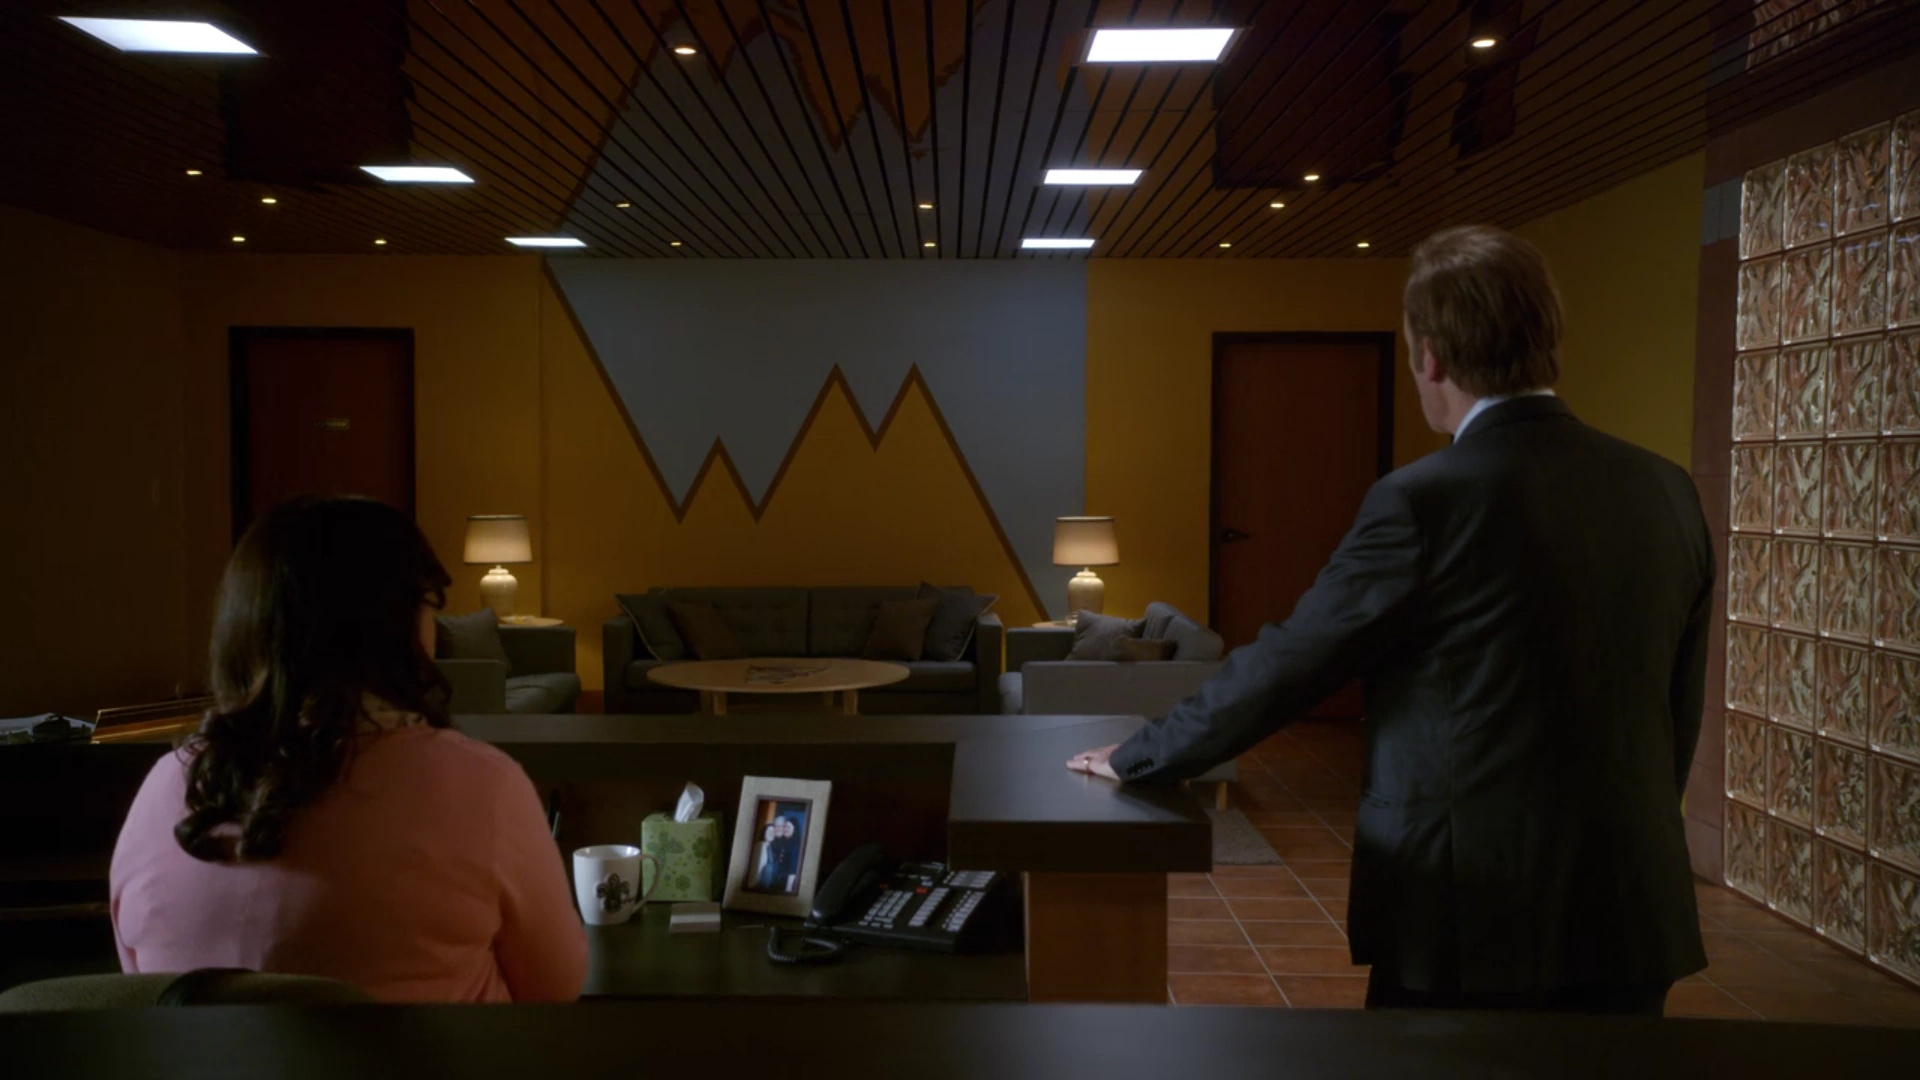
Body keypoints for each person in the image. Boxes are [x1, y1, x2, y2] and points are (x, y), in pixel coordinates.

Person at [1070, 225, 1711, 1016]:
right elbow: (1678, 704)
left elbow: (1291, 663)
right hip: (1632, 910)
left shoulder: (1424, 499)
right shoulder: (1666, 489)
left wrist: (1142, 753)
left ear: (1430, 357)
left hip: (1467, 915)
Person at [110, 497, 588, 1003]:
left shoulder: (163, 789)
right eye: (429, 605)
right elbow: (555, 988)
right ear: (398, 624)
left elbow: (144, 990)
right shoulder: (483, 787)